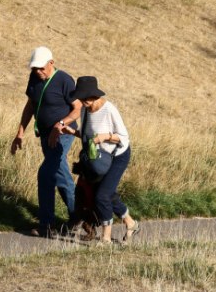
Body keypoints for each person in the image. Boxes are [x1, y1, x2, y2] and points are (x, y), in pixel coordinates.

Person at [10, 46, 82, 238]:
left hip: (62, 135)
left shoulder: (64, 80)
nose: (38, 72)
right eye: (35, 69)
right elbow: (30, 105)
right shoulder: (34, 78)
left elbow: (77, 109)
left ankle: (47, 225)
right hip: (44, 135)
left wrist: (61, 124)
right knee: (60, 173)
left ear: (51, 63)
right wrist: (20, 132)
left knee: (45, 174)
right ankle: (80, 217)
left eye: (41, 68)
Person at [66, 75, 139, 244]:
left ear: (95, 95)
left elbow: (123, 137)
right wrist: (73, 132)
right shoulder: (85, 110)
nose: (82, 101)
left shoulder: (109, 110)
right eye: (80, 98)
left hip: (118, 155)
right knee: (109, 193)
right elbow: (89, 137)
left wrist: (104, 137)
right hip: (99, 160)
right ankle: (131, 224)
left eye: (85, 98)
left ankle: (106, 239)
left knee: (102, 196)